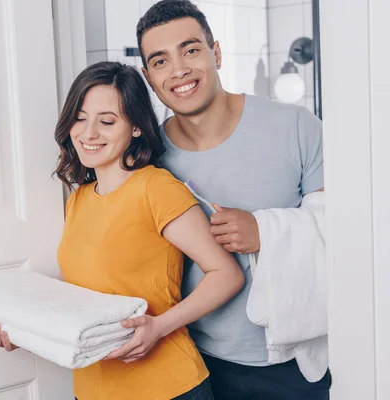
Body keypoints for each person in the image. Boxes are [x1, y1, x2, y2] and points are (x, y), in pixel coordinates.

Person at [0, 61, 244, 400]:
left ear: (134, 127)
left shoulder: (155, 188)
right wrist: (22, 330)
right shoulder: (79, 200)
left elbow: (226, 274)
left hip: (166, 387)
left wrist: (159, 327)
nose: (88, 133)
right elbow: (81, 303)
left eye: (107, 121)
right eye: (80, 118)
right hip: (92, 389)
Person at [135, 1, 330, 399]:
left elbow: (348, 228)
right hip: (195, 365)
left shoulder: (298, 127)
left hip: (293, 365)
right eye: (160, 61)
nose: (179, 70)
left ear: (216, 53)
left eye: (191, 50)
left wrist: (265, 231)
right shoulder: (148, 158)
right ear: (148, 77)